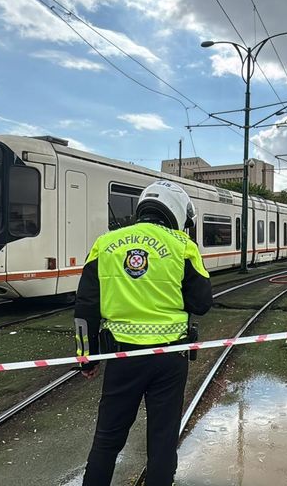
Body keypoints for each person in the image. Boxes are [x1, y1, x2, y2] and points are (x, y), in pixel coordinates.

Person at [74, 180, 213, 486]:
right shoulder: (183, 246)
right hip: (169, 358)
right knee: (162, 443)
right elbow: (202, 303)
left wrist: (87, 357)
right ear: (176, 211)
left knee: (107, 440)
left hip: (122, 357)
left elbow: (84, 307)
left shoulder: (104, 244)